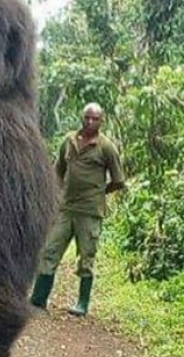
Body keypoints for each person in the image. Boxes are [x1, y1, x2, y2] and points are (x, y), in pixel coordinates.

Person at [30, 102, 126, 316]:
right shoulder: (69, 141)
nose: (90, 122)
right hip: (65, 208)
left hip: (90, 212)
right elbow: (57, 172)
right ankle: (38, 299)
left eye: (95, 119)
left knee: (86, 256)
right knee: (49, 251)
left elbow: (119, 180)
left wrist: (99, 192)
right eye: (87, 118)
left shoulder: (106, 147)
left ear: (102, 121)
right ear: (82, 118)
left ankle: (82, 303)